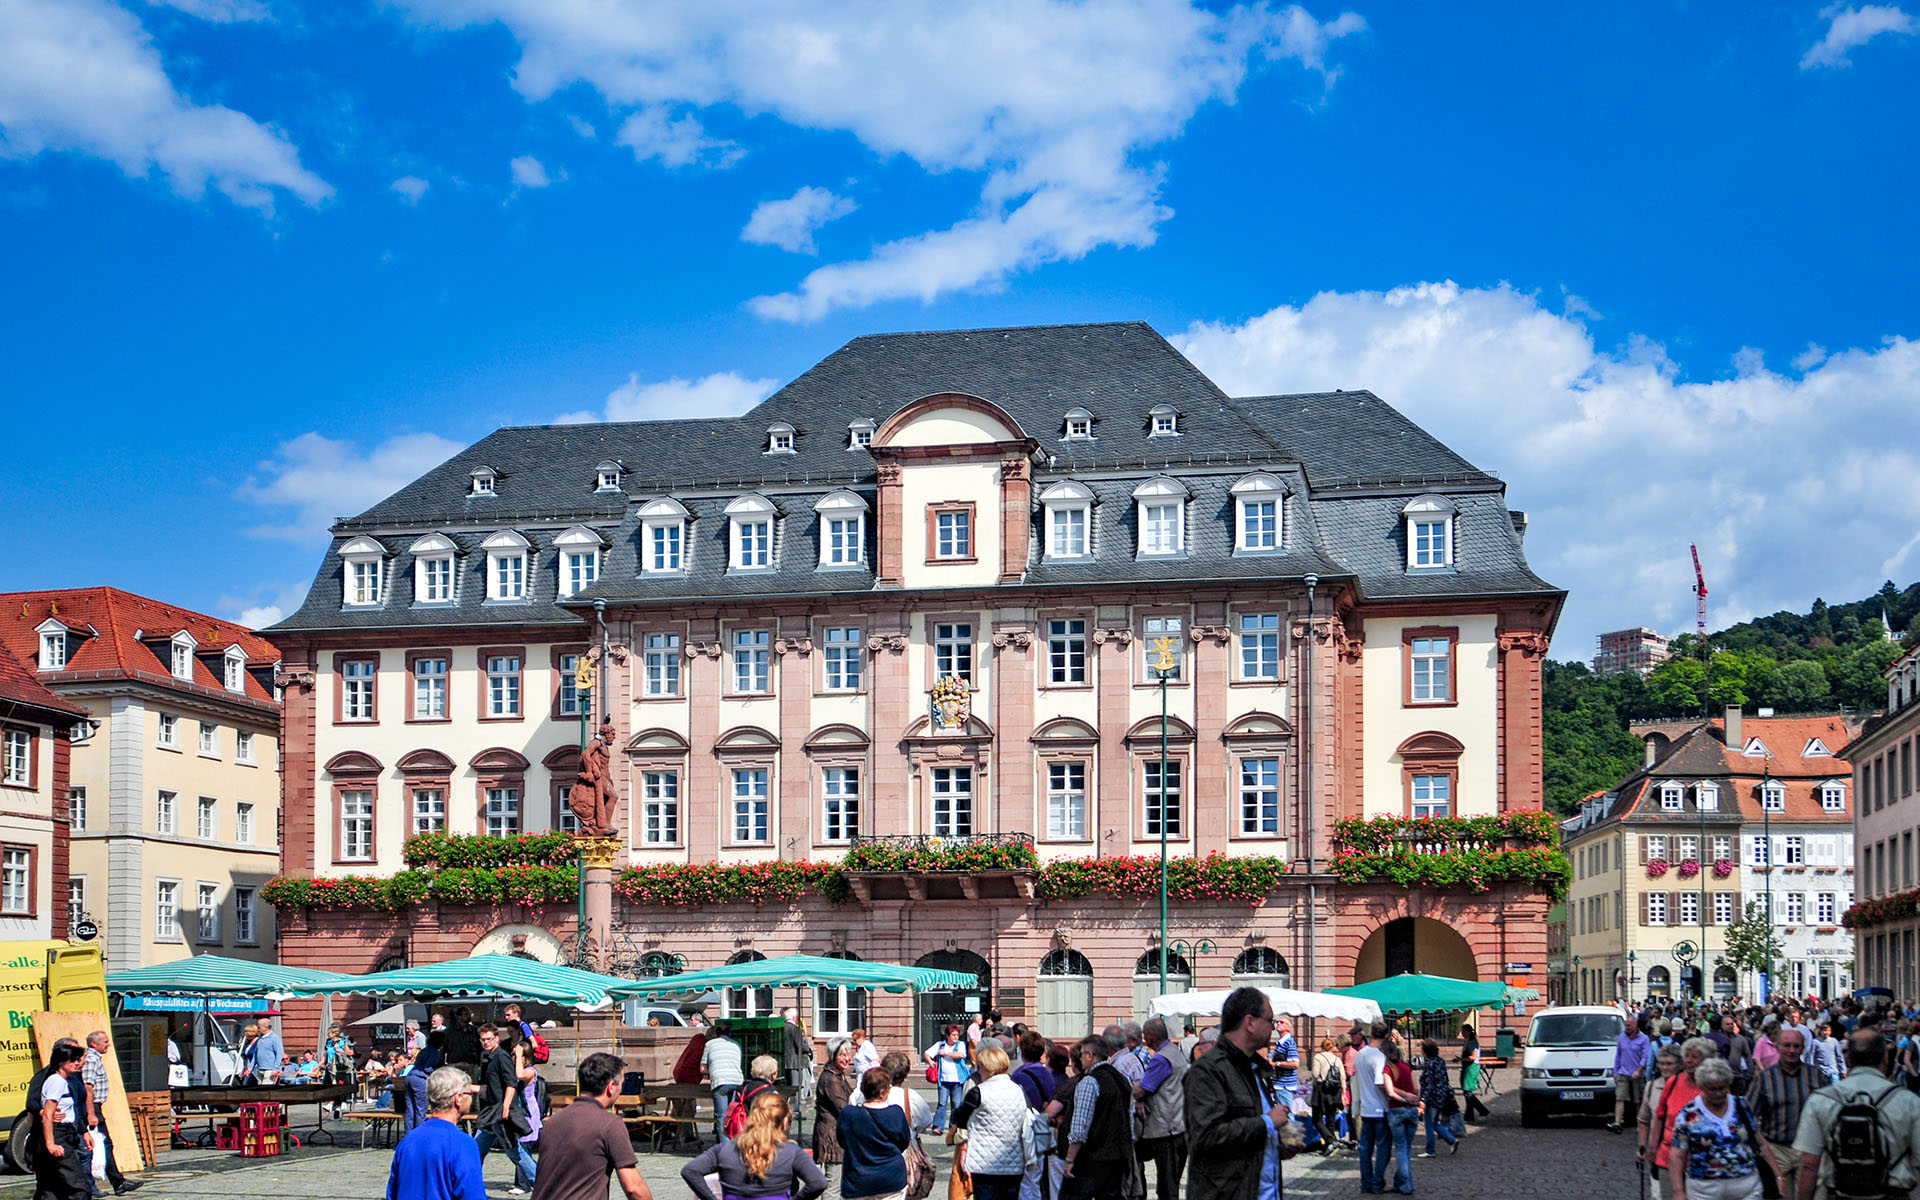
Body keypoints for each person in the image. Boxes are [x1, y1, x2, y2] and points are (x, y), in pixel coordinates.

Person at [1183, 986, 1298, 1200]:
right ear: (1250, 1022)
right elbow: (1206, 1137)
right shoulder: (1208, 1070)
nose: (1273, 1029)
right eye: (1270, 1021)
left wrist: (1276, 1144)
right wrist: (1267, 1123)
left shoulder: (1255, 1068)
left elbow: (1248, 1136)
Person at [1791, 1029, 1920, 1200]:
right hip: (1893, 1193)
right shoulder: (1908, 1102)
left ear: (1848, 1059)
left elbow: (1808, 1166)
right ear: (1885, 1058)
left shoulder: (1819, 1101)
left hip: (1839, 1193)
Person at [531, 1052, 654, 1200]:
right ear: (611, 1087)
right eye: (621, 1084)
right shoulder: (609, 1125)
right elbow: (634, 1188)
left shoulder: (553, 1122)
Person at [684, 1090, 828, 1200]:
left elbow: (690, 1171)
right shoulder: (792, 1152)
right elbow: (818, 1183)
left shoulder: (725, 1149)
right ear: (784, 1121)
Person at [1743, 1027, 1827, 1198]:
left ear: (1803, 1048)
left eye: (1796, 1046)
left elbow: (1828, 1113)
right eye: (1787, 1045)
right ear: (1777, 1047)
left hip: (1810, 1151)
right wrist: (1760, 1146)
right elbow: (1749, 1115)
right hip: (1777, 1150)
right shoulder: (1764, 1078)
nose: (1791, 1050)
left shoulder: (1816, 1076)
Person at [1670, 1056, 1767, 1200]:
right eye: (1712, 1089)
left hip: (1747, 1186)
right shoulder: (1688, 1113)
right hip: (1704, 1189)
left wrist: (1778, 1178)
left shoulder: (1742, 1105)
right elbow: (1677, 1155)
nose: (1718, 1093)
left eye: (1722, 1088)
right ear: (1702, 1087)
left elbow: (1761, 1143)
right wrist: (1678, 1191)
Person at [387, 1067, 485, 1200]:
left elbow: (393, 1192)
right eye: (470, 1094)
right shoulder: (463, 1143)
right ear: (459, 1098)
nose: (472, 1098)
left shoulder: (408, 1140)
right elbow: (472, 1194)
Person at [1063, 1035, 1135, 1200]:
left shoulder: (1089, 1082)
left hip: (1093, 1157)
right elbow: (1129, 1117)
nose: (1080, 1059)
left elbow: (1080, 1127)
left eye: (1081, 1055)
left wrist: (1069, 1159)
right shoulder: (1120, 1079)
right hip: (1119, 1154)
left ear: (1090, 1055)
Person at [964, 1046, 1038, 1200]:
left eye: (980, 1067)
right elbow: (1027, 1124)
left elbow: (961, 1119)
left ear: (987, 1068)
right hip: (1013, 1162)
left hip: (984, 1163)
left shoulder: (978, 1092)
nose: (978, 1071)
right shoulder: (1018, 1089)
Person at [472, 1025, 537, 1194]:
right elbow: (493, 1087)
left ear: (497, 1039)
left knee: (515, 1152)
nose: (485, 1042)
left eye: (489, 1039)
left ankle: (541, 1182)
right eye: (483, 1039)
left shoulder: (502, 1057)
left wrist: (506, 1106)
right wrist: (470, 1088)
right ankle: (470, 1184)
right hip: (491, 1113)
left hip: (501, 1113)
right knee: (476, 1149)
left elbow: (511, 1083)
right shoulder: (488, 1057)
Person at [81, 1030, 141, 1196]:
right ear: (94, 1044)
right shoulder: (91, 1060)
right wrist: (91, 1112)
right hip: (92, 1107)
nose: (108, 1044)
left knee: (104, 1143)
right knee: (101, 1144)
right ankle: (114, 1182)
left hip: (96, 1106)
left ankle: (117, 1181)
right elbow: (88, 1087)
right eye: (105, 1041)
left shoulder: (95, 1059)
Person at [837, 1067, 913, 1200]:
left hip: (857, 1180)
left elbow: (842, 1141)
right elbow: (904, 1142)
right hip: (891, 1179)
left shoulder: (848, 1114)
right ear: (883, 1092)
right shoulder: (895, 1113)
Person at [1133, 1017, 1188, 1200]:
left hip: (1164, 1129)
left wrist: (1133, 1087)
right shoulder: (1175, 1052)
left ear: (1150, 1037)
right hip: (1177, 1125)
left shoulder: (1161, 1059)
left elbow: (1141, 1090)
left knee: (1167, 1187)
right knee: (1170, 1182)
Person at [37, 1042, 93, 1200]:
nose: (77, 1063)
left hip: (67, 1132)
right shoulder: (57, 1081)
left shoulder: (65, 1080)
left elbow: (71, 1109)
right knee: (79, 1187)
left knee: (51, 1187)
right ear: (61, 1061)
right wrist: (51, 1143)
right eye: (73, 1060)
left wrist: (83, 1131)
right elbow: (48, 1114)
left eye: (78, 1059)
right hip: (59, 1134)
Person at [1653, 1039, 1715, 1178]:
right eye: (1686, 1056)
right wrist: (1652, 1151)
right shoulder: (1673, 1082)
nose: (1689, 1061)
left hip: (1705, 1165)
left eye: (1694, 1057)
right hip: (1668, 1159)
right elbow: (1659, 1117)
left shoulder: (1715, 1087)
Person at [1353, 1022, 1392, 1193]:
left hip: (1365, 1107)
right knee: (1383, 1148)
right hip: (1380, 1108)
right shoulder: (1379, 1056)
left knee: (1365, 1149)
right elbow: (1379, 1082)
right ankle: (1377, 1183)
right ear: (1386, 1036)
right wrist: (1395, 1092)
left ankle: (1365, 1183)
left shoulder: (1360, 1054)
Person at [1381, 1037, 1421, 1195]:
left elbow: (1390, 1092)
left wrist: (1402, 1097)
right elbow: (1416, 1089)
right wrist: (1411, 1098)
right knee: (1407, 1149)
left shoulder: (1387, 1069)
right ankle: (1400, 1182)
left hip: (1396, 1110)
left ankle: (1406, 1185)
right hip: (1411, 1111)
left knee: (1401, 1149)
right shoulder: (1406, 1066)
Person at [813, 1039, 858, 1179]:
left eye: (848, 1055)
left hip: (837, 1135)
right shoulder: (831, 1079)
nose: (847, 1059)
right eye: (842, 1055)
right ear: (833, 1056)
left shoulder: (838, 1075)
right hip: (832, 1138)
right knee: (833, 1185)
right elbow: (843, 1107)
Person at [512, 1032, 547, 1195]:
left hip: (528, 1113)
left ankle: (530, 1181)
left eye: (517, 1056)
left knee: (522, 1148)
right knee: (520, 1148)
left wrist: (519, 1054)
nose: (514, 1058)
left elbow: (520, 1075)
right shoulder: (517, 1068)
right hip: (519, 1111)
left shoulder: (530, 1071)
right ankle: (523, 1182)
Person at [702, 1023, 745, 1146]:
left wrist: (709, 1072)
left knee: (721, 1116)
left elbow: (702, 1068)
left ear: (716, 1034)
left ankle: (726, 1147)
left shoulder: (709, 1044)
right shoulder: (736, 1045)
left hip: (720, 1081)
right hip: (737, 1080)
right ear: (730, 1034)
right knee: (733, 1114)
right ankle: (737, 1142)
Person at [1611, 1015, 1652, 1134]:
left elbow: (1645, 1057)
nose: (1627, 1028)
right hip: (1623, 1072)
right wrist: (1615, 1072)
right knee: (1620, 1097)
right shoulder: (1622, 1037)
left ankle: (1640, 1124)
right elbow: (1618, 1055)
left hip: (1638, 1074)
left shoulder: (1644, 1039)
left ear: (1636, 1025)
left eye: (1629, 1025)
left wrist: (1639, 1070)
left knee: (1638, 1100)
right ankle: (1617, 1123)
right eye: (1626, 1025)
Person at [927, 1024, 971, 1134]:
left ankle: (954, 1127)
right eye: (953, 1035)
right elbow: (927, 1053)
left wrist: (946, 1053)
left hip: (957, 1080)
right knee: (942, 1103)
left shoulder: (960, 1044)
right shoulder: (940, 1045)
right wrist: (930, 1061)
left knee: (956, 1104)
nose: (956, 1037)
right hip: (943, 1079)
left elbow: (960, 1055)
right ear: (947, 1035)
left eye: (957, 1035)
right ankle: (938, 1127)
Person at [1416, 1040, 1457, 1159]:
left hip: (1432, 1097)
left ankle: (1430, 1149)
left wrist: (1423, 1100)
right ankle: (1451, 1140)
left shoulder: (1429, 1064)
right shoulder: (1440, 1061)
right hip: (1441, 1096)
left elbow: (1429, 1084)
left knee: (1428, 1124)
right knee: (1434, 1123)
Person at [1310, 1038, 1347, 1152]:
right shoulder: (1337, 1059)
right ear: (1332, 1047)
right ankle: (1330, 1145)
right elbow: (1343, 1077)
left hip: (1322, 1089)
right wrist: (1343, 1093)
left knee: (1317, 1118)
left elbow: (1315, 1074)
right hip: (1335, 1091)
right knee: (1331, 1119)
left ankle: (1331, 1141)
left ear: (1322, 1047)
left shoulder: (1318, 1057)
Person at [1458, 1025, 1489, 1125]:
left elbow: (1473, 1057)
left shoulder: (1472, 1042)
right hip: (1467, 1067)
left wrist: (1461, 1059)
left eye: (1463, 1031)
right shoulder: (1468, 1041)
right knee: (1467, 1092)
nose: (1462, 1033)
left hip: (1471, 1068)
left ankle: (1482, 1110)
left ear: (1468, 1031)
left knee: (1468, 1092)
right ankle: (1469, 1115)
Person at [782, 1008, 814, 1099]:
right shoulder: (796, 1029)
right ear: (794, 1018)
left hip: (785, 1062)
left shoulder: (781, 1028)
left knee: (787, 1088)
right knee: (796, 1088)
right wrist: (808, 1050)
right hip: (796, 1063)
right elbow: (800, 1046)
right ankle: (795, 1109)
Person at [1269, 1017, 1301, 1108]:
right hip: (1279, 1084)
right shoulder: (1281, 1043)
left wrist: (1276, 1064)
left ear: (1288, 1028)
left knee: (1286, 1114)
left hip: (1284, 1085)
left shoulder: (1289, 1043)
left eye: (1282, 1022)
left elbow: (1295, 1064)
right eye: (1277, 1022)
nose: (1278, 1023)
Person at [249, 1016, 285, 1084]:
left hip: (270, 1070)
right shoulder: (260, 1039)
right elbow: (256, 1054)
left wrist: (275, 1068)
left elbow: (279, 1054)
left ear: (265, 1027)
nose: (258, 1029)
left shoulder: (275, 1038)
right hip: (259, 1069)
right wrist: (250, 1067)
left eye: (259, 1027)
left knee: (266, 1089)